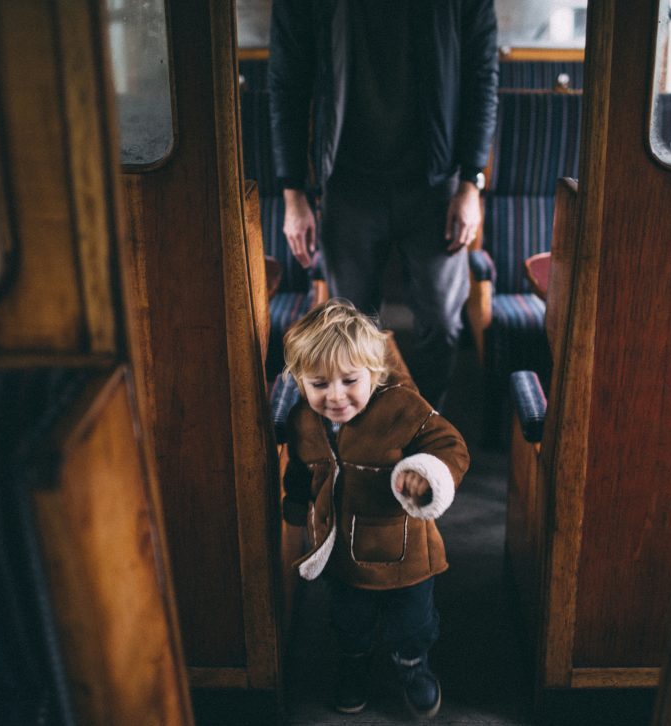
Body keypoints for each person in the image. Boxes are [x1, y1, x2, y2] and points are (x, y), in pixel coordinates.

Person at [268, 0, 498, 408]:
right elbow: (287, 82)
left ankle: (424, 426)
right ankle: (367, 439)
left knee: (443, 323)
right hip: (346, 181)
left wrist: (471, 184)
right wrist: (293, 193)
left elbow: (482, 77)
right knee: (352, 329)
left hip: (437, 181)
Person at [281, 299, 470, 717]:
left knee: (413, 625)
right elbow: (302, 468)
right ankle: (354, 663)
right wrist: (295, 503)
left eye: (350, 380)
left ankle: (413, 665)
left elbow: (450, 446)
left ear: (375, 374)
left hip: (404, 554)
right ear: (299, 381)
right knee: (350, 621)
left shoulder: (401, 407)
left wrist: (427, 473)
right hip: (343, 551)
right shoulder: (303, 421)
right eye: (318, 384)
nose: (335, 396)